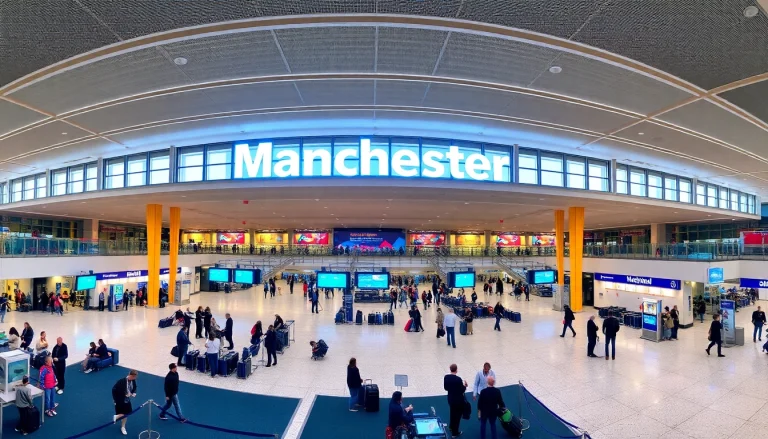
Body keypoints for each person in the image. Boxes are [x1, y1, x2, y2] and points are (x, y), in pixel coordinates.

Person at [444, 364, 468, 438]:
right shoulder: (458, 379)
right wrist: (465, 386)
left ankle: (451, 427)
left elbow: (446, 388)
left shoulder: (446, 377)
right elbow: (462, 390)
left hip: (450, 399)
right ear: (456, 370)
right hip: (458, 400)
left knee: (452, 412)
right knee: (457, 416)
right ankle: (455, 433)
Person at [111, 370, 138, 435]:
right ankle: (117, 418)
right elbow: (114, 389)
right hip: (119, 400)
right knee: (124, 413)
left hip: (127, 400)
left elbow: (134, 387)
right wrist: (115, 400)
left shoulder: (133, 380)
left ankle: (122, 426)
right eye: (135, 377)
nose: (135, 378)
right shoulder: (121, 381)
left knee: (127, 413)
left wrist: (134, 392)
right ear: (131, 375)